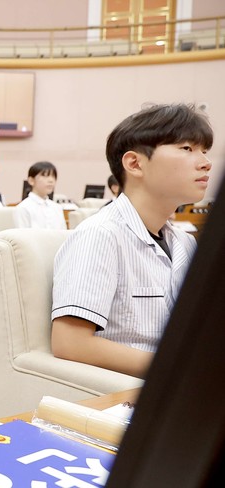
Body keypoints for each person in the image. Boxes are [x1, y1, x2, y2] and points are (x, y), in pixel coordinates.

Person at [51, 103, 213, 378]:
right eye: (187, 148)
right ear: (135, 164)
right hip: (130, 390)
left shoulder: (185, 243)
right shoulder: (100, 235)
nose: (205, 162)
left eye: (204, 151)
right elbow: (70, 343)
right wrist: (180, 370)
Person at [13, 161, 66, 229]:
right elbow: (22, 234)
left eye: (53, 176)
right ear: (31, 181)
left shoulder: (57, 208)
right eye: (45, 176)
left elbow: (64, 233)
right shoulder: (23, 208)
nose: (51, 180)